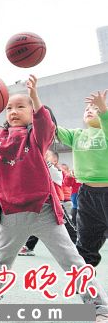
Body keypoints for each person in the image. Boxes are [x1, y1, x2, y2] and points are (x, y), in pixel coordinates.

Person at [0, 77, 108, 323]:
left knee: (74, 262)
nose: (13, 112)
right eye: (9, 108)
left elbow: (46, 124)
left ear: (32, 112)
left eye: (20, 107)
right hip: (11, 214)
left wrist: (35, 97)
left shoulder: (37, 136)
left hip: (44, 211)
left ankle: (101, 310)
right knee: (1, 261)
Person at [56, 89, 108, 271]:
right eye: (87, 108)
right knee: (85, 245)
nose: (89, 110)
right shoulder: (77, 134)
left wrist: (103, 110)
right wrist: (35, 104)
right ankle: (85, 282)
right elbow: (52, 127)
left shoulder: (105, 132)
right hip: (87, 194)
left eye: (94, 108)